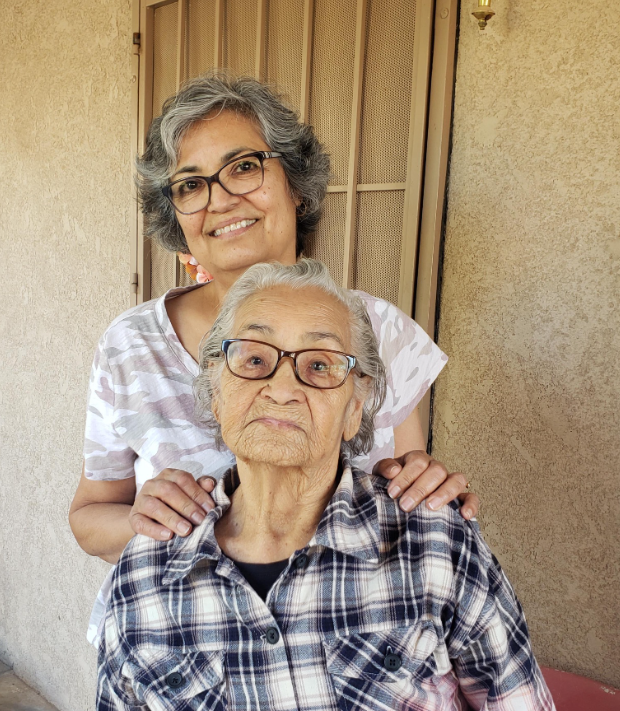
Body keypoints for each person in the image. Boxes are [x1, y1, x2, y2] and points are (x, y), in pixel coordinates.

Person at [69, 73, 478, 646]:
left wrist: (426, 488)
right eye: (190, 184)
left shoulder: (380, 333)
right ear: (177, 217)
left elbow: (405, 490)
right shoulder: (130, 344)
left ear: (298, 187)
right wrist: (140, 523)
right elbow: (90, 516)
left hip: (344, 650)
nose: (220, 199)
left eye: (244, 167)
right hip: (173, 653)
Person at [97, 260, 554, 711]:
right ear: (215, 393)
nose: (282, 388)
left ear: (355, 408)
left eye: (319, 365)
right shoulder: (144, 575)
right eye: (254, 358)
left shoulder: (435, 544)